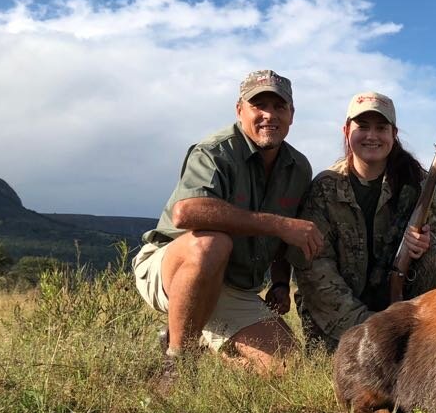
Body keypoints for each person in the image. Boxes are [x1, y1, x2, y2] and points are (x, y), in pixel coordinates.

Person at [133, 69, 323, 375]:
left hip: (234, 287)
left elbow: (290, 235)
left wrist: (278, 283)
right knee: (211, 244)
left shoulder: (298, 167)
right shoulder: (215, 151)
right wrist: (278, 225)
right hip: (174, 267)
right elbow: (185, 214)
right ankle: (178, 362)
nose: (269, 115)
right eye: (258, 106)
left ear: (291, 114)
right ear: (240, 110)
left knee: (290, 367)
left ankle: (198, 338)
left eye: (279, 107)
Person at [294, 91, 436, 352]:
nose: (372, 135)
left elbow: (433, 233)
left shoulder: (416, 183)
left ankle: (434, 344)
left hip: (395, 307)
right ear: (346, 130)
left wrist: (424, 242)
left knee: (434, 263)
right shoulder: (324, 189)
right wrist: (373, 331)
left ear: (394, 134)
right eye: (362, 126)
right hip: (339, 317)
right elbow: (316, 271)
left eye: (381, 128)